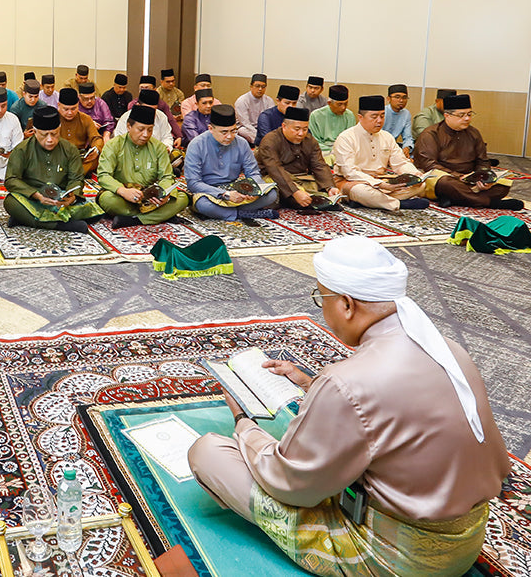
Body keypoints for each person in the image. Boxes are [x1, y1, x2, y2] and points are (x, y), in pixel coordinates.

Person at [187, 236, 509, 577]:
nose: (321, 308)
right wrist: (311, 384)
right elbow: (391, 415)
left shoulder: (347, 382)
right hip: (465, 543)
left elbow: (289, 483)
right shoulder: (449, 350)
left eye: (320, 298)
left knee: (209, 453)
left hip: (398, 559)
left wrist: (244, 424)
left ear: (346, 305)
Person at [414, 93, 523, 210]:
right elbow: (429, 165)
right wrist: (458, 177)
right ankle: (490, 203)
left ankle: (455, 198)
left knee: (503, 186)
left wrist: (483, 178)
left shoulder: (473, 133)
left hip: (471, 180)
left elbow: (483, 161)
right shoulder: (431, 134)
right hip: (445, 178)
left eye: (469, 114)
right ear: (447, 116)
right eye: (461, 115)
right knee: (445, 183)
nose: (467, 118)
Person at [4, 107, 104, 233]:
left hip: (60, 200)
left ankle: (26, 218)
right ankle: (60, 225)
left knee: (91, 210)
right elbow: (11, 180)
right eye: (44, 135)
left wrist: (72, 197)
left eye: (54, 134)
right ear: (35, 131)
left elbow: (76, 178)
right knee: (11, 202)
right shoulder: (22, 150)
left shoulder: (70, 149)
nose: (50, 139)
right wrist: (37, 195)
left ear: (59, 129)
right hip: (33, 199)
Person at [97, 104, 190, 228]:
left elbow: (167, 176)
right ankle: (159, 216)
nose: (146, 134)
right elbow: (103, 175)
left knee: (183, 198)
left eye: (150, 130)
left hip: (149, 199)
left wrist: (163, 195)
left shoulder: (158, 147)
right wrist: (123, 191)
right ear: (129, 126)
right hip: (123, 197)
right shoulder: (113, 145)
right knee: (107, 199)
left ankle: (134, 220)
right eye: (141, 129)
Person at [332, 95, 429, 211]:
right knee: (360, 191)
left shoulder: (387, 137)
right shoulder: (346, 138)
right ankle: (399, 203)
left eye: (382, 116)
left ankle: (373, 202)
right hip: (353, 182)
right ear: (360, 117)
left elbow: (400, 162)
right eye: (374, 117)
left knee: (420, 186)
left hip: (382, 182)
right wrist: (379, 184)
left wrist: (414, 174)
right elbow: (350, 172)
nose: (379, 121)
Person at [184, 104, 278, 222]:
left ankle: (228, 213)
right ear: (211, 129)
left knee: (271, 194)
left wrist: (253, 189)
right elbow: (193, 183)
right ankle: (244, 213)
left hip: (235, 188)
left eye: (233, 131)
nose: (229, 136)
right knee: (203, 204)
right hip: (209, 191)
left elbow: (253, 172)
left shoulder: (241, 143)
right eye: (224, 132)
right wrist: (225, 194)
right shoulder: (196, 145)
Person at [255, 106, 340, 209]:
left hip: (300, 178)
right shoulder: (270, 141)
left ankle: (311, 200)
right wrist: (295, 191)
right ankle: (302, 200)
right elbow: (275, 170)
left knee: (322, 189)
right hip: (273, 177)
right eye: (297, 129)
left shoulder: (310, 141)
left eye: (305, 129)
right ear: (284, 126)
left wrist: (330, 187)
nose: (301, 133)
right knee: (276, 189)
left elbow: (319, 165)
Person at [309, 84, 356, 157]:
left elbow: (351, 139)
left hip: (343, 150)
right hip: (322, 151)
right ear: (329, 103)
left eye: (346, 104)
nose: (343, 107)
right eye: (339, 104)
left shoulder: (349, 115)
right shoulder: (316, 115)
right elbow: (314, 140)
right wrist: (331, 151)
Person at [233, 73, 275, 146]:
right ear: (251, 86)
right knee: (243, 131)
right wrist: (259, 134)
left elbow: (271, 119)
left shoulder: (269, 100)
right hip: (247, 128)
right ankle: (263, 144)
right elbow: (245, 123)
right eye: (257, 86)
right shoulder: (242, 101)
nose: (260, 89)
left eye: (263, 87)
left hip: (263, 128)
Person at [383, 84, 414, 156]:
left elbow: (408, 137)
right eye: (397, 97)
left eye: (404, 97)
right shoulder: (382, 112)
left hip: (394, 148)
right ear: (388, 99)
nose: (401, 100)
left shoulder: (406, 114)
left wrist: (407, 147)